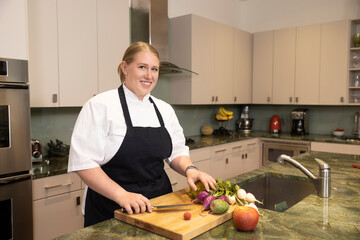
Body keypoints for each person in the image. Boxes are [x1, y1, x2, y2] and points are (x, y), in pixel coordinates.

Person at [68, 41, 216, 227]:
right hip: (111, 207)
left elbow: (176, 152)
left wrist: (190, 169)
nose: (149, 75)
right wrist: (122, 195)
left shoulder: (164, 109)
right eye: (142, 67)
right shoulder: (100, 105)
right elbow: (84, 163)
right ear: (125, 67)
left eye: (154, 69)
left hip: (159, 204)